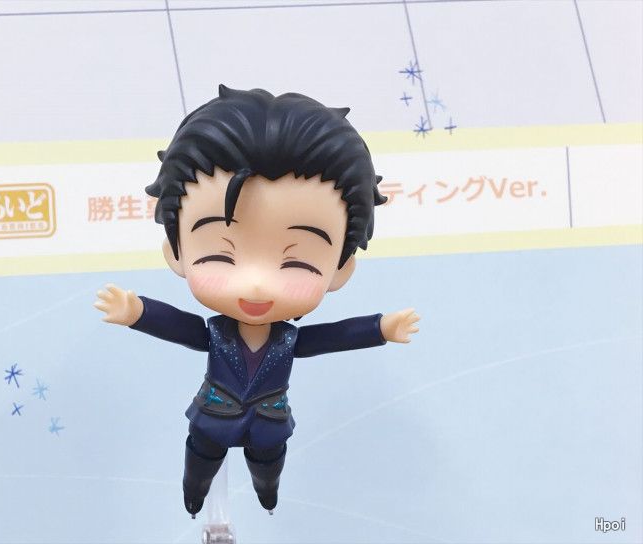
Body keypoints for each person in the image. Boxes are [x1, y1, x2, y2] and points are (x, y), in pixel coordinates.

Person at [93, 85, 420, 517]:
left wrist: (380, 328)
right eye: (221, 255)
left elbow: (332, 337)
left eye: (296, 262)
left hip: (270, 424)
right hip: (213, 417)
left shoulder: (289, 339)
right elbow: (182, 328)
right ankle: (194, 498)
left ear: (340, 269)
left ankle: (267, 495)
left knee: (268, 469)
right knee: (200, 464)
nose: (257, 284)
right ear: (176, 251)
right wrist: (138, 313)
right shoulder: (215, 332)